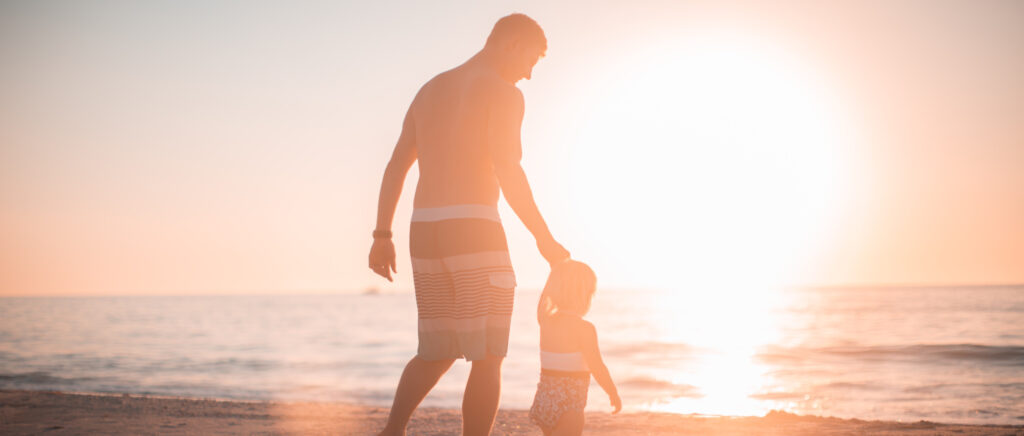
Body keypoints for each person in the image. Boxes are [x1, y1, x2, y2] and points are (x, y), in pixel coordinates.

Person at [368, 13, 570, 436]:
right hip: (474, 228)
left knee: (436, 350)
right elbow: (509, 171)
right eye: (531, 60)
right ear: (512, 43)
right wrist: (544, 239)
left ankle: (392, 431)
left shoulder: (430, 89)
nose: (530, 75)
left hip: (424, 231)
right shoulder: (503, 92)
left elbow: (395, 167)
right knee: (488, 354)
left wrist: (381, 234)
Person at [529, 260, 621, 436]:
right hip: (569, 405)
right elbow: (597, 366)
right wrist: (612, 392)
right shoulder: (584, 328)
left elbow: (543, 300)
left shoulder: (546, 321)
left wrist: (555, 271)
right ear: (584, 295)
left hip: (544, 400)